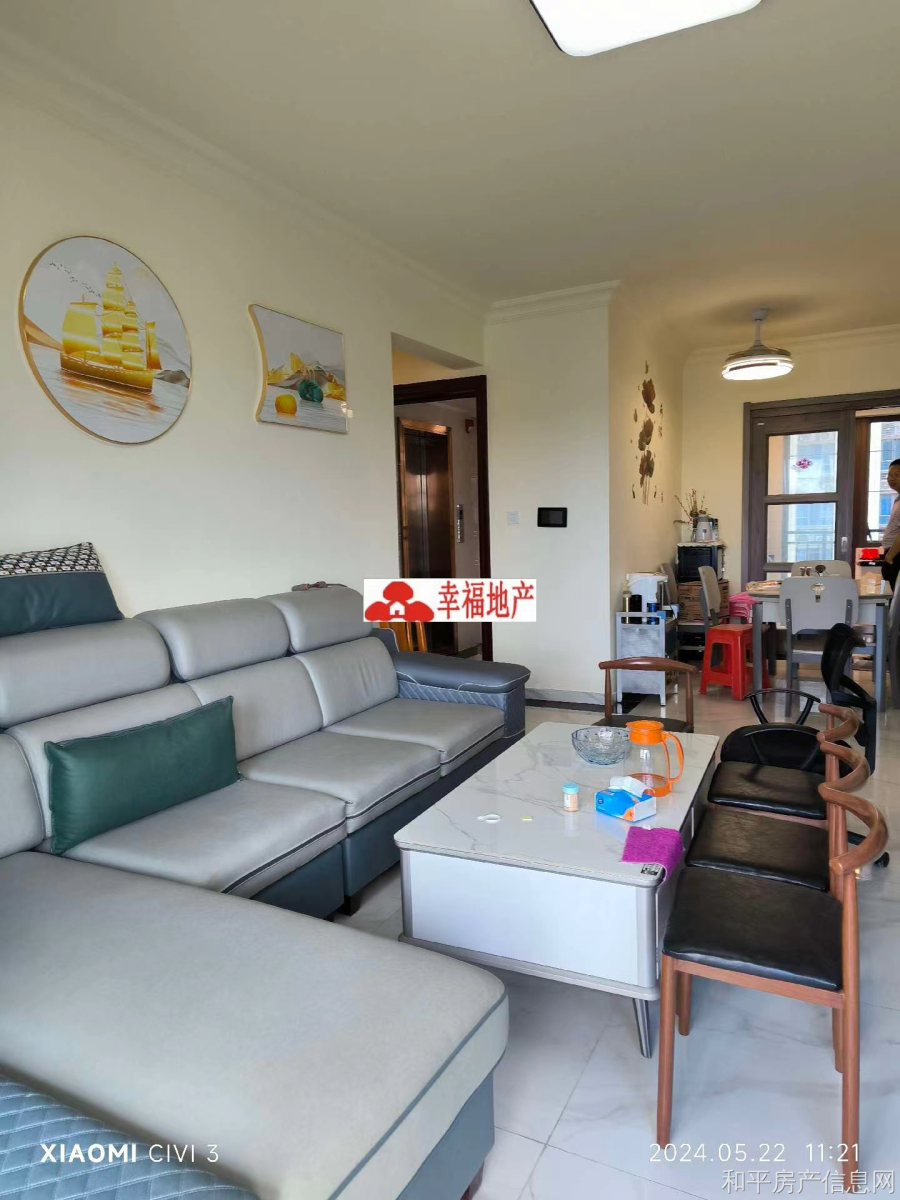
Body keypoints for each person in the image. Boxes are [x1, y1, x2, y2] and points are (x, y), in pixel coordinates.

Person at [881, 458, 900, 586]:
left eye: (897, 475)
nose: (891, 479)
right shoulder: (897, 499)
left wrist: (890, 556)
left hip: (896, 555)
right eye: (889, 475)